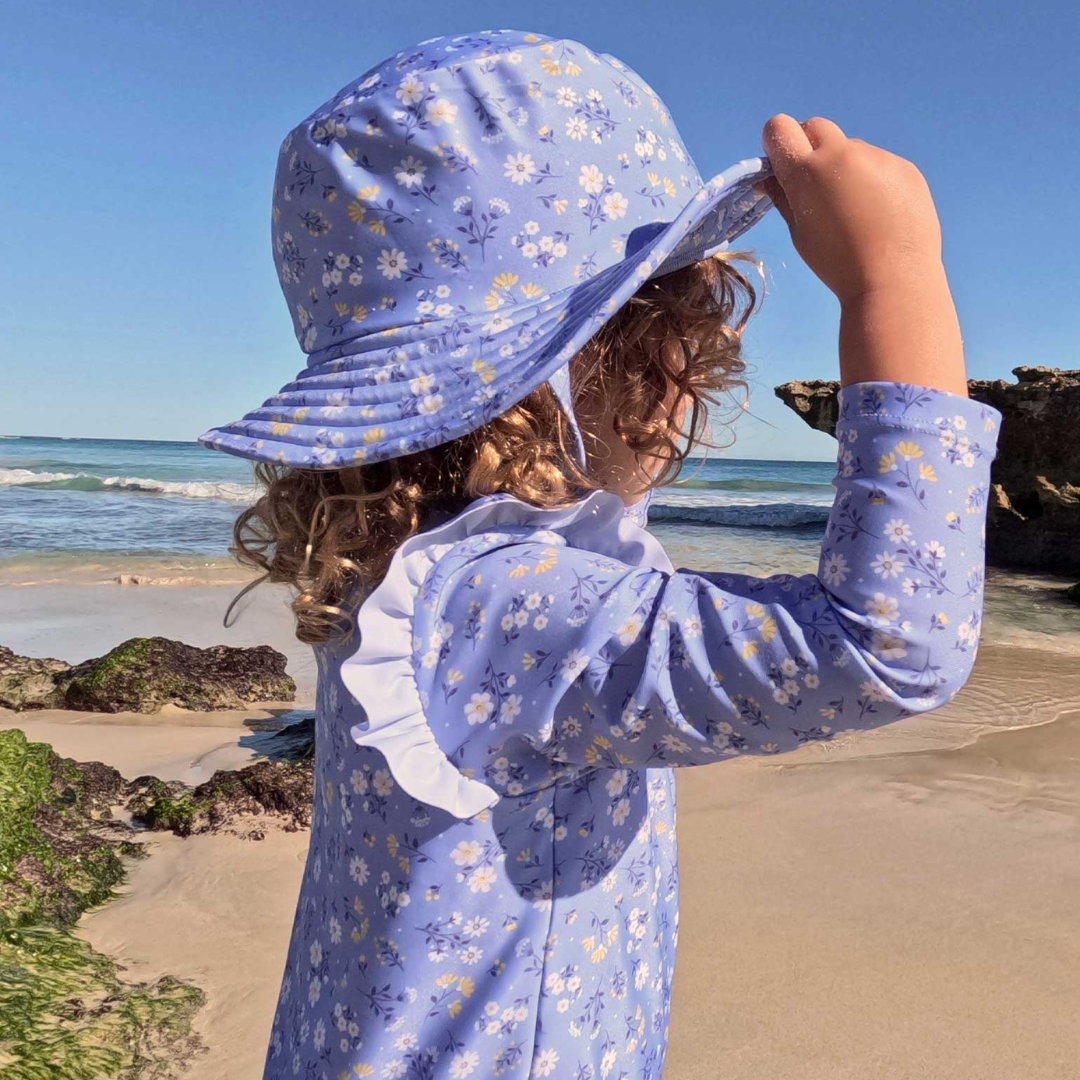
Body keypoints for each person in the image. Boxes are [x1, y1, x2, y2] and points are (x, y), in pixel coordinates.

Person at [198, 29, 1001, 1080]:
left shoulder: (427, 582)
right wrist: (893, 283)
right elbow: (890, 642)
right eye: (692, 326)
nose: (706, 368)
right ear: (594, 361)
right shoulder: (504, 611)